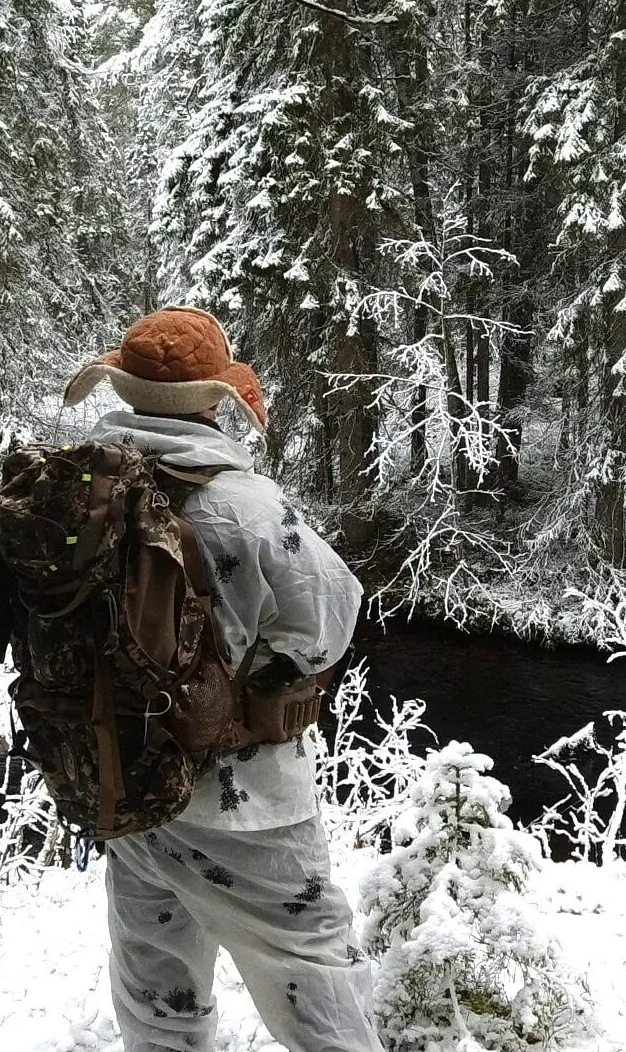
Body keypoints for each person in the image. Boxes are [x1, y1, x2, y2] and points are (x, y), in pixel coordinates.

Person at [62, 306, 383, 1052]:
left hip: (128, 781)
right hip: (247, 807)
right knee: (312, 968)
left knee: (157, 989)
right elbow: (329, 622)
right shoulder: (247, 506)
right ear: (216, 401)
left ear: (126, 389)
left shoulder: (80, 494)